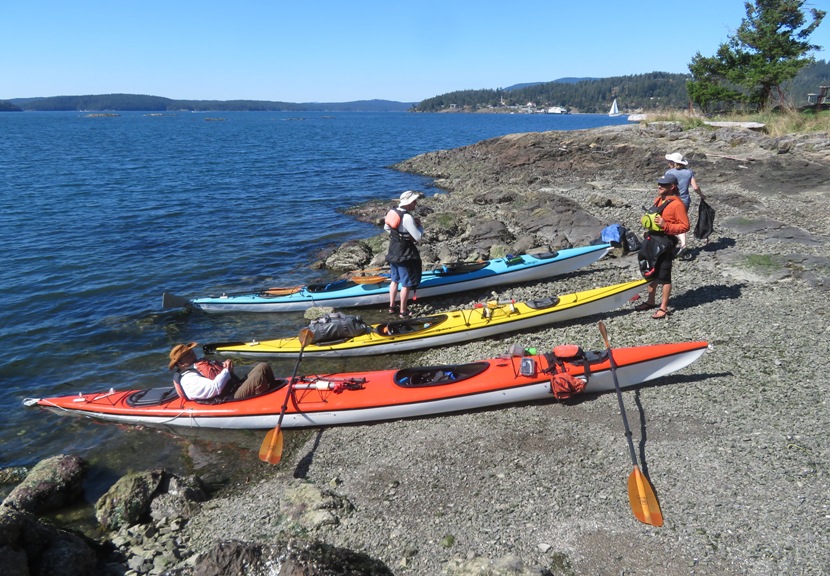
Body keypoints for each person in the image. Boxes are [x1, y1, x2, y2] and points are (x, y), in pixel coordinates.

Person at [634, 174, 689, 319]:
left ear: (672, 187)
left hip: (666, 242)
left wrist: (666, 225)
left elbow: (685, 226)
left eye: (663, 185)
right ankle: (651, 301)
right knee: (649, 270)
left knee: (664, 275)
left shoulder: (678, 205)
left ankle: (663, 308)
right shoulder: (658, 199)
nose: (659, 186)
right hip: (652, 238)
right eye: (659, 184)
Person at [168, 342, 276, 401]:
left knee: (263, 366)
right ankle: (268, 402)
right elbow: (215, 388)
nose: (192, 354)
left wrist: (226, 369)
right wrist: (226, 371)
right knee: (257, 378)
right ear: (180, 363)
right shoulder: (188, 379)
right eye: (187, 354)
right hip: (228, 397)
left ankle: (275, 390)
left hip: (233, 388)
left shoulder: (198, 366)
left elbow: (217, 376)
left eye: (191, 351)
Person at [384, 190, 424, 318]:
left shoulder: (393, 212)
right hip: (404, 252)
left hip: (393, 248)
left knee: (394, 280)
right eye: (414, 202)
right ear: (408, 203)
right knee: (406, 283)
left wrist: (398, 235)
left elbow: (387, 228)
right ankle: (403, 311)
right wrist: (420, 226)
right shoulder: (407, 217)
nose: (415, 204)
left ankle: (391, 307)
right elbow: (418, 237)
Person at [664, 152, 704, 256]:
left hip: (672, 201)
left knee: (670, 222)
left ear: (673, 162)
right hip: (685, 201)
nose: (668, 163)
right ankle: (683, 245)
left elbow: (664, 188)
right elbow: (695, 187)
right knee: (681, 223)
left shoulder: (668, 173)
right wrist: (702, 196)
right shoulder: (689, 172)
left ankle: (671, 245)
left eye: (670, 161)